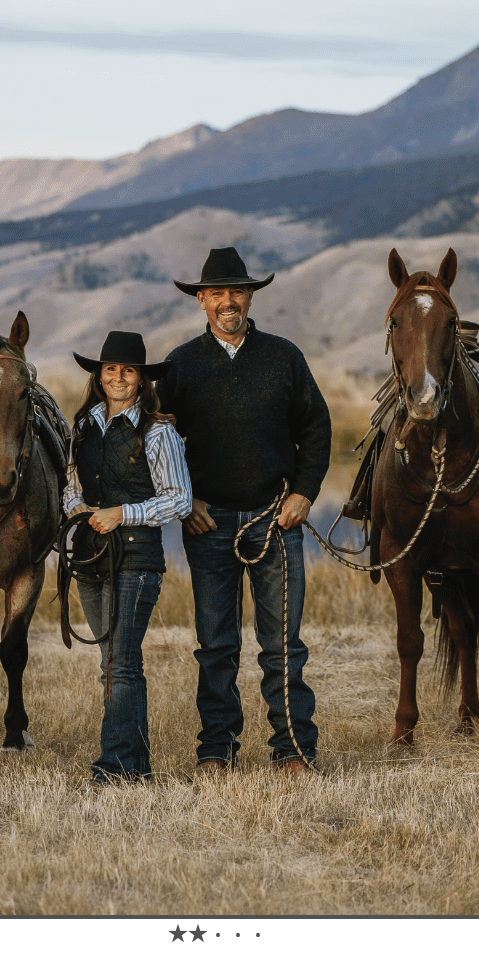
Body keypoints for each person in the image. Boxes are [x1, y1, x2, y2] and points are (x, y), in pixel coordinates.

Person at [159, 247, 331, 773]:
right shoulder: (181, 364)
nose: (228, 301)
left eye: (237, 291)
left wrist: (304, 494)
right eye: (217, 293)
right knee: (216, 646)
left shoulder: (283, 356)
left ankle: (293, 749)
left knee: (282, 644)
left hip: (275, 519)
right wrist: (185, 503)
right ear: (202, 301)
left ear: (251, 296)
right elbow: (163, 442)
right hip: (209, 527)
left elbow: (316, 428)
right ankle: (216, 749)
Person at [61, 331, 190, 785]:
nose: (118, 377)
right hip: (90, 558)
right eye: (111, 368)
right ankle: (135, 766)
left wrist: (123, 513)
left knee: (121, 662)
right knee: (114, 663)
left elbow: (180, 500)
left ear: (140, 380)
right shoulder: (83, 426)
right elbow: (70, 484)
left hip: (136, 562)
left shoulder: (159, 432)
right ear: (99, 375)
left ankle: (112, 766)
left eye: (128, 370)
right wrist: (75, 507)